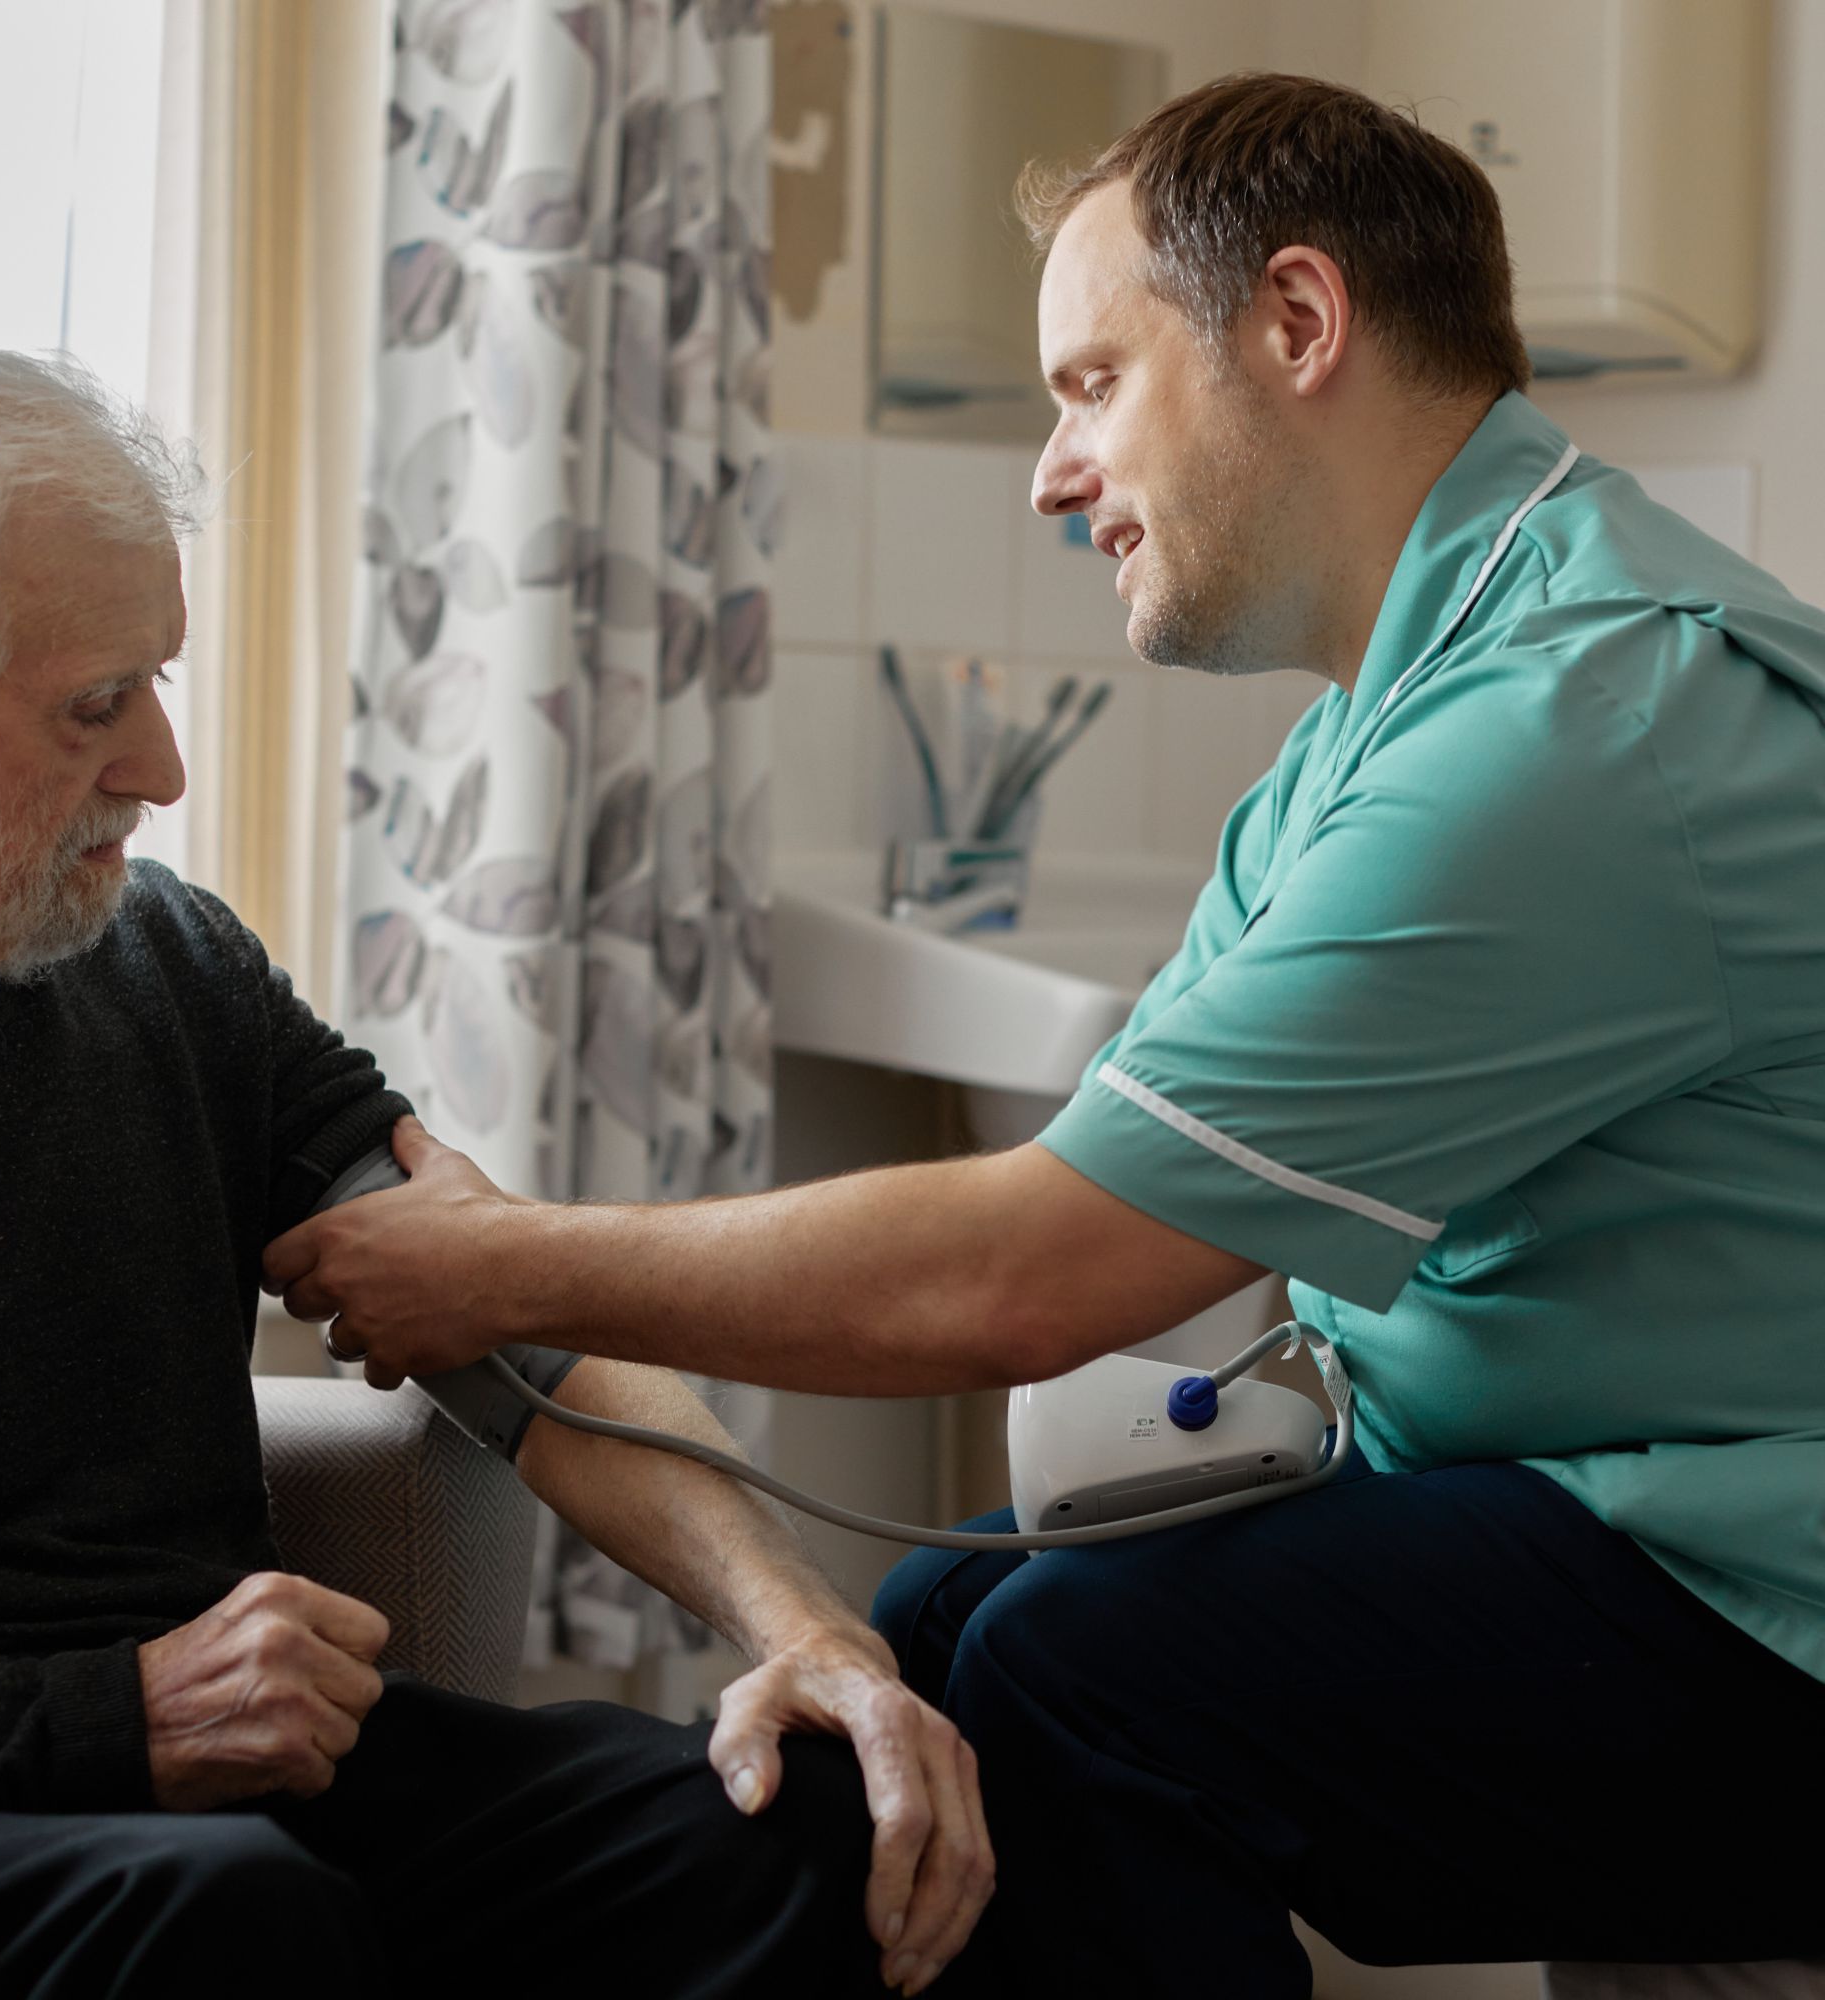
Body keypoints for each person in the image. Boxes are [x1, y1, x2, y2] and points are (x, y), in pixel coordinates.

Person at [267, 73, 1825, 1994]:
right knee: (931, 1632)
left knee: (1075, 1673)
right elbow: (1059, 1189)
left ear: (1301, 324)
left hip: (1771, 1596)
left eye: (1090, 382)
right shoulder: (1386, 729)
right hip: (1598, 1519)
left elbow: (1033, 1273)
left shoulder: (1578, 726)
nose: (1049, 466)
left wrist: (502, 1266)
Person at [0, 346, 993, 1999]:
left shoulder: (167, 967)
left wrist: (805, 1634)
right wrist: (110, 1718)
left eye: (161, 684)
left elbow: (521, 1325)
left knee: (794, 1828)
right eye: (96, 705)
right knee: (230, 1917)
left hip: (233, 1777)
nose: (159, 771)